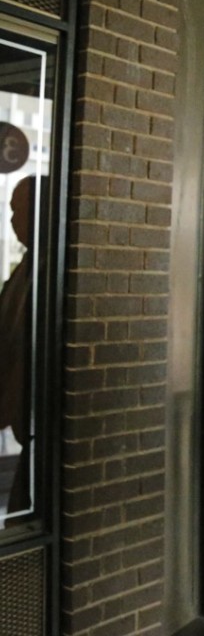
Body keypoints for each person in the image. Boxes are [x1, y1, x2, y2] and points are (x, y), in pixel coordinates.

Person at [0, 175, 35, 526]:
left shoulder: (45, 272)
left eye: (18, 210)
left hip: (39, 424)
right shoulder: (25, 270)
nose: (11, 221)